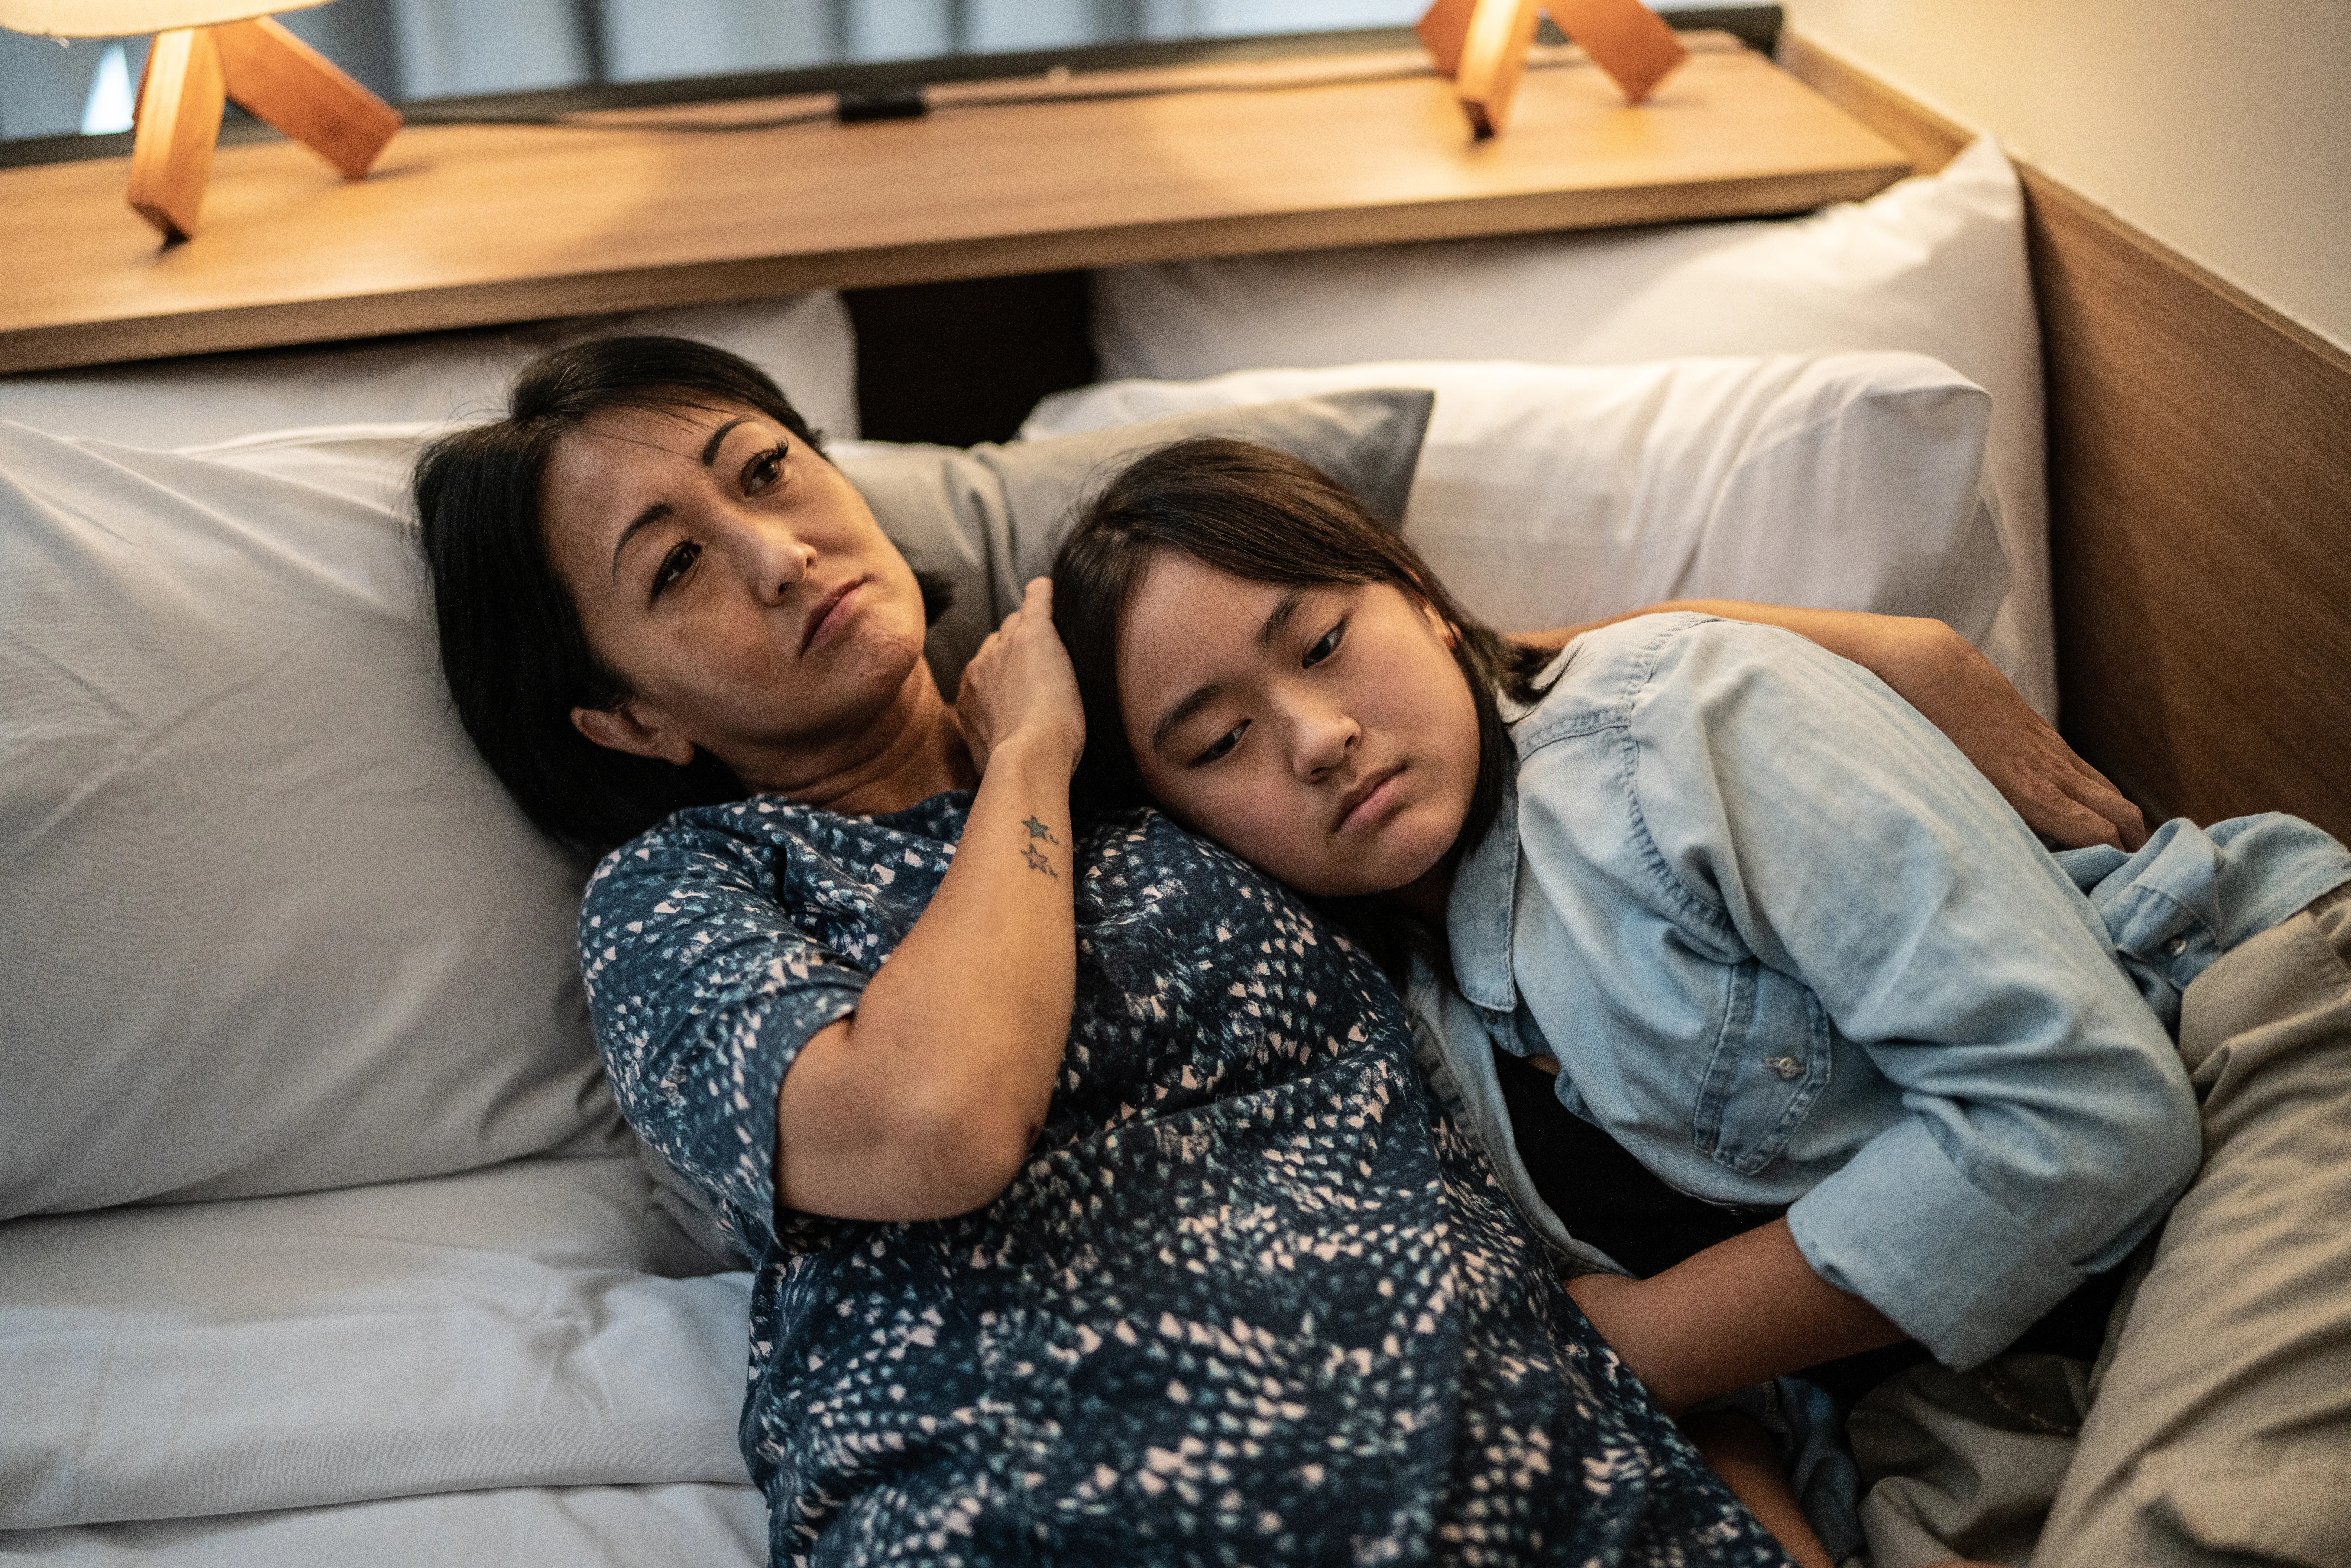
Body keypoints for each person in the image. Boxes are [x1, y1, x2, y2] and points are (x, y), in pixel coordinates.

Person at [413, 336, 2136, 1568]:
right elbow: (931, 1126)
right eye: (679, 569)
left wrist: (1892, 649)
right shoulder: (691, 889)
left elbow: (1433, 681)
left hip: (1541, 1463)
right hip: (1042, 1504)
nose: (780, 554)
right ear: (622, 714)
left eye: (767, 471)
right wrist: (1014, 754)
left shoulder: (1192, 771)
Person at [1049, 436, 2351, 1568]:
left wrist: (1650, 1342)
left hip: (2240, 1072)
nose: (1316, 735)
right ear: (1181, 831)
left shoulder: (1677, 728)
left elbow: (2088, 1116)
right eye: (1217, 744)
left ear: (1422, 603)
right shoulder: (1374, 1028)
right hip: (1970, 1376)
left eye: (1324, 642)